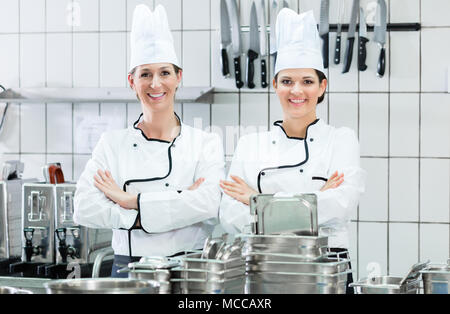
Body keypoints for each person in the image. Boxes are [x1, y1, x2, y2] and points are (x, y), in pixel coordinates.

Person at [218, 9, 365, 293]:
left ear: (322, 86)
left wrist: (256, 200)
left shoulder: (342, 140)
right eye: (287, 81)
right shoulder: (250, 144)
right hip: (266, 269)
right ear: (275, 85)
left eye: (307, 81)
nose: (296, 90)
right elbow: (229, 216)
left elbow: (342, 204)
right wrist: (313, 204)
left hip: (326, 269)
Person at [74, 4, 224, 278]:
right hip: (128, 271)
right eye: (145, 74)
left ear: (178, 78)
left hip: (188, 271)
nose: (156, 84)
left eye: (165, 73)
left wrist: (127, 198)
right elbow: (84, 207)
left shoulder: (205, 143)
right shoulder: (112, 144)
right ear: (132, 81)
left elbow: (209, 205)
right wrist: (144, 213)